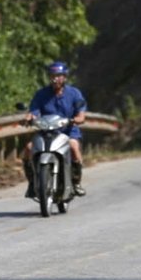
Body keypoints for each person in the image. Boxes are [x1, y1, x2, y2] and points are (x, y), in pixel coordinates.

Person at [23, 61, 86, 197]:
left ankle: (76, 182)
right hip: (46, 132)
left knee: (74, 147)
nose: (55, 78)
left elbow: (81, 114)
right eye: (52, 75)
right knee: (29, 148)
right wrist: (29, 117)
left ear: (64, 77)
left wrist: (76, 120)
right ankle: (32, 182)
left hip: (68, 131)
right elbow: (34, 111)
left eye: (58, 75)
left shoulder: (74, 93)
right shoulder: (41, 94)